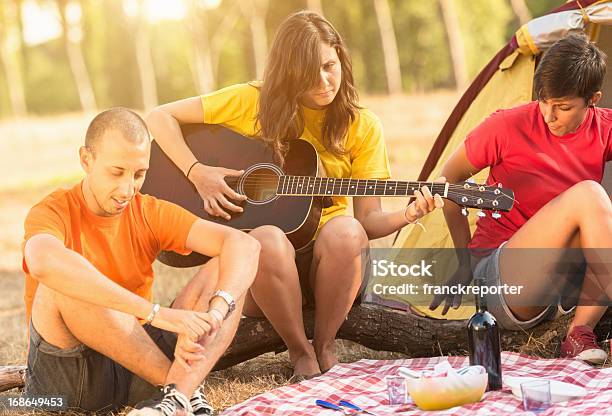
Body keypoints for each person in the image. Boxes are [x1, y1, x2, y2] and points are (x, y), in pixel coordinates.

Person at [145, 10, 443, 379]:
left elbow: (368, 221)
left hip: (333, 272)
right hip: (264, 274)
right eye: (308, 72)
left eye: (330, 66)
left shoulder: (362, 126)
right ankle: (299, 351)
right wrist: (198, 173)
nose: (323, 81)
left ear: (341, 61)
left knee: (348, 230)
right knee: (266, 238)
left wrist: (409, 215)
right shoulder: (250, 101)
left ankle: (325, 344)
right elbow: (158, 117)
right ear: (287, 73)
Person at [22, 107, 261, 415]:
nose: (127, 189)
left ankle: (172, 401)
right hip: (71, 379)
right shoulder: (53, 210)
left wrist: (216, 312)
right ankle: (182, 389)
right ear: (86, 160)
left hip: (136, 359)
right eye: (116, 172)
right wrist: (155, 314)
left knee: (225, 267)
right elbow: (42, 261)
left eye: (139, 174)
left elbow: (244, 245)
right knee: (62, 281)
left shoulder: (148, 210)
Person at [430, 34, 611, 364]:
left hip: (562, 277)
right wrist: (463, 259)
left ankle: (580, 327)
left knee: (599, 210)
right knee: (591, 195)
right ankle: (582, 322)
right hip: (502, 278)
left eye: (564, 107)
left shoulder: (605, 128)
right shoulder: (505, 125)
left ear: (593, 100)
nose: (548, 115)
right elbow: (447, 180)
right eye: (544, 101)